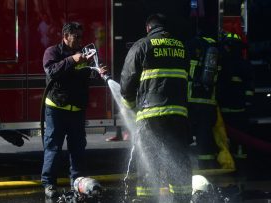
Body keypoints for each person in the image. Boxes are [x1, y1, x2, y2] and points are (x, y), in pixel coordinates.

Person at [120, 13, 192, 202]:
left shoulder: (142, 45)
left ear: (148, 28)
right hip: (178, 113)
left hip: (150, 114)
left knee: (149, 159)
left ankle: (146, 198)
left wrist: (129, 104)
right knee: (178, 156)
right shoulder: (182, 47)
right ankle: (183, 197)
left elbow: (127, 80)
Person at [41, 21, 108, 198]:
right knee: (53, 147)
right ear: (65, 37)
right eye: (76, 37)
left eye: (81, 37)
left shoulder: (85, 53)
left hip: (77, 109)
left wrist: (99, 70)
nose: (80, 41)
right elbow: (52, 71)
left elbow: (90, 73)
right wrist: (72, 60)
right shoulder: (53, 52)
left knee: (78, 147)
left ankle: (77, 182)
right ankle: (49, 184)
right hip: (57, 108)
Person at [217, 32, 255, 158]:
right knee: (239, 138)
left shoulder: (222, 63)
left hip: (228, 110)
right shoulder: (243, 64)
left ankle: (234, 157)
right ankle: (239, 158)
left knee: (228, 137)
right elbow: (249, 86)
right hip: (239, 110)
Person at [186, 33, 220, 168]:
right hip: (208, 105)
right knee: (205, 141)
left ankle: (183, 171)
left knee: (184, 138)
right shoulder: (215, 53)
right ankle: (208, 173)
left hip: (190, 103)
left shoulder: (189, 50)